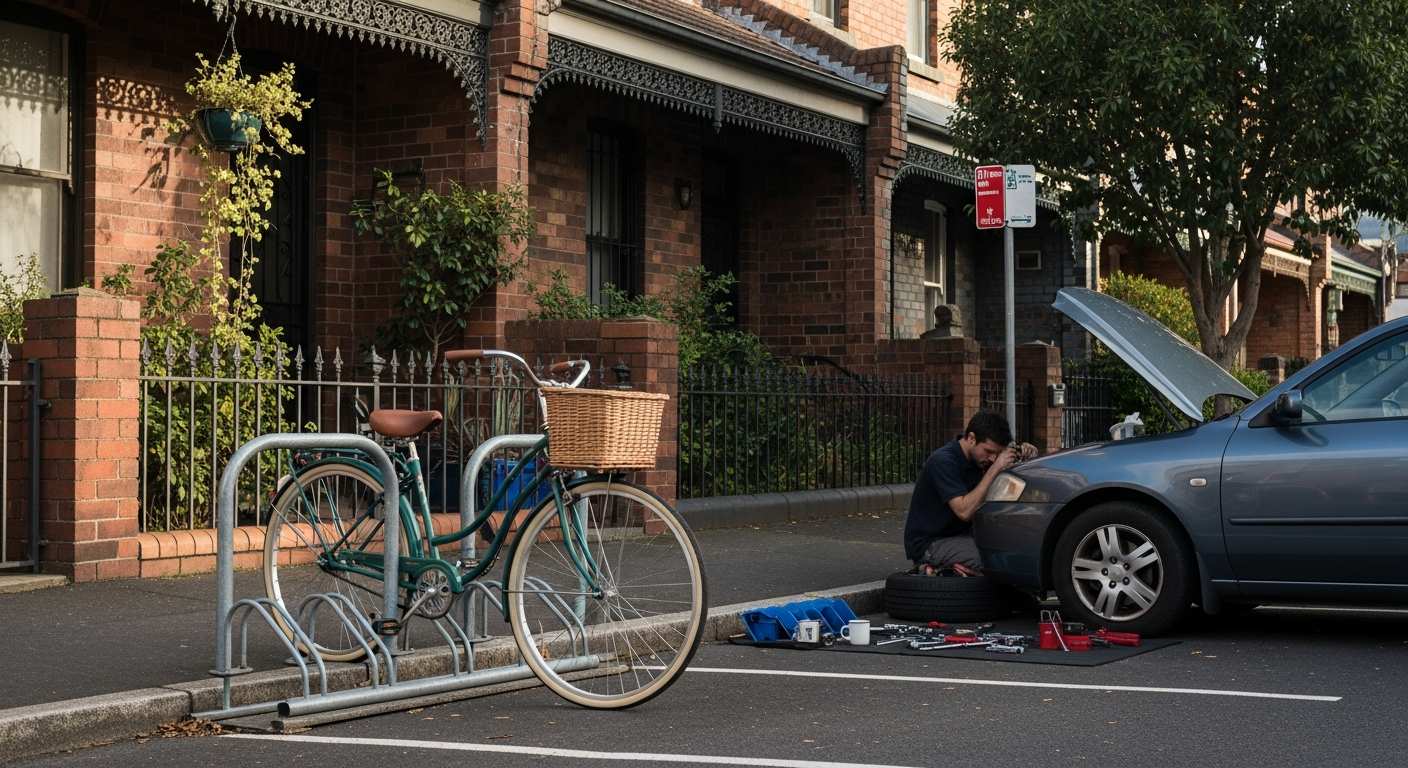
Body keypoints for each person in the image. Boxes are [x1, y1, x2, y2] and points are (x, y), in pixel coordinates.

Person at [904, 411, 1038, 576]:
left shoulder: (981, 460)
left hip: (966, 537)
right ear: (972, 438)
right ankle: (936, 571)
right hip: (931, 543)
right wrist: (996, 469)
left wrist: (1026, 459)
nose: (992, 459)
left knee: (1018, 551)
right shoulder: (943, 462)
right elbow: (964, 511)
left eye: (998, 454)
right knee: (993, 561)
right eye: (988, 452)